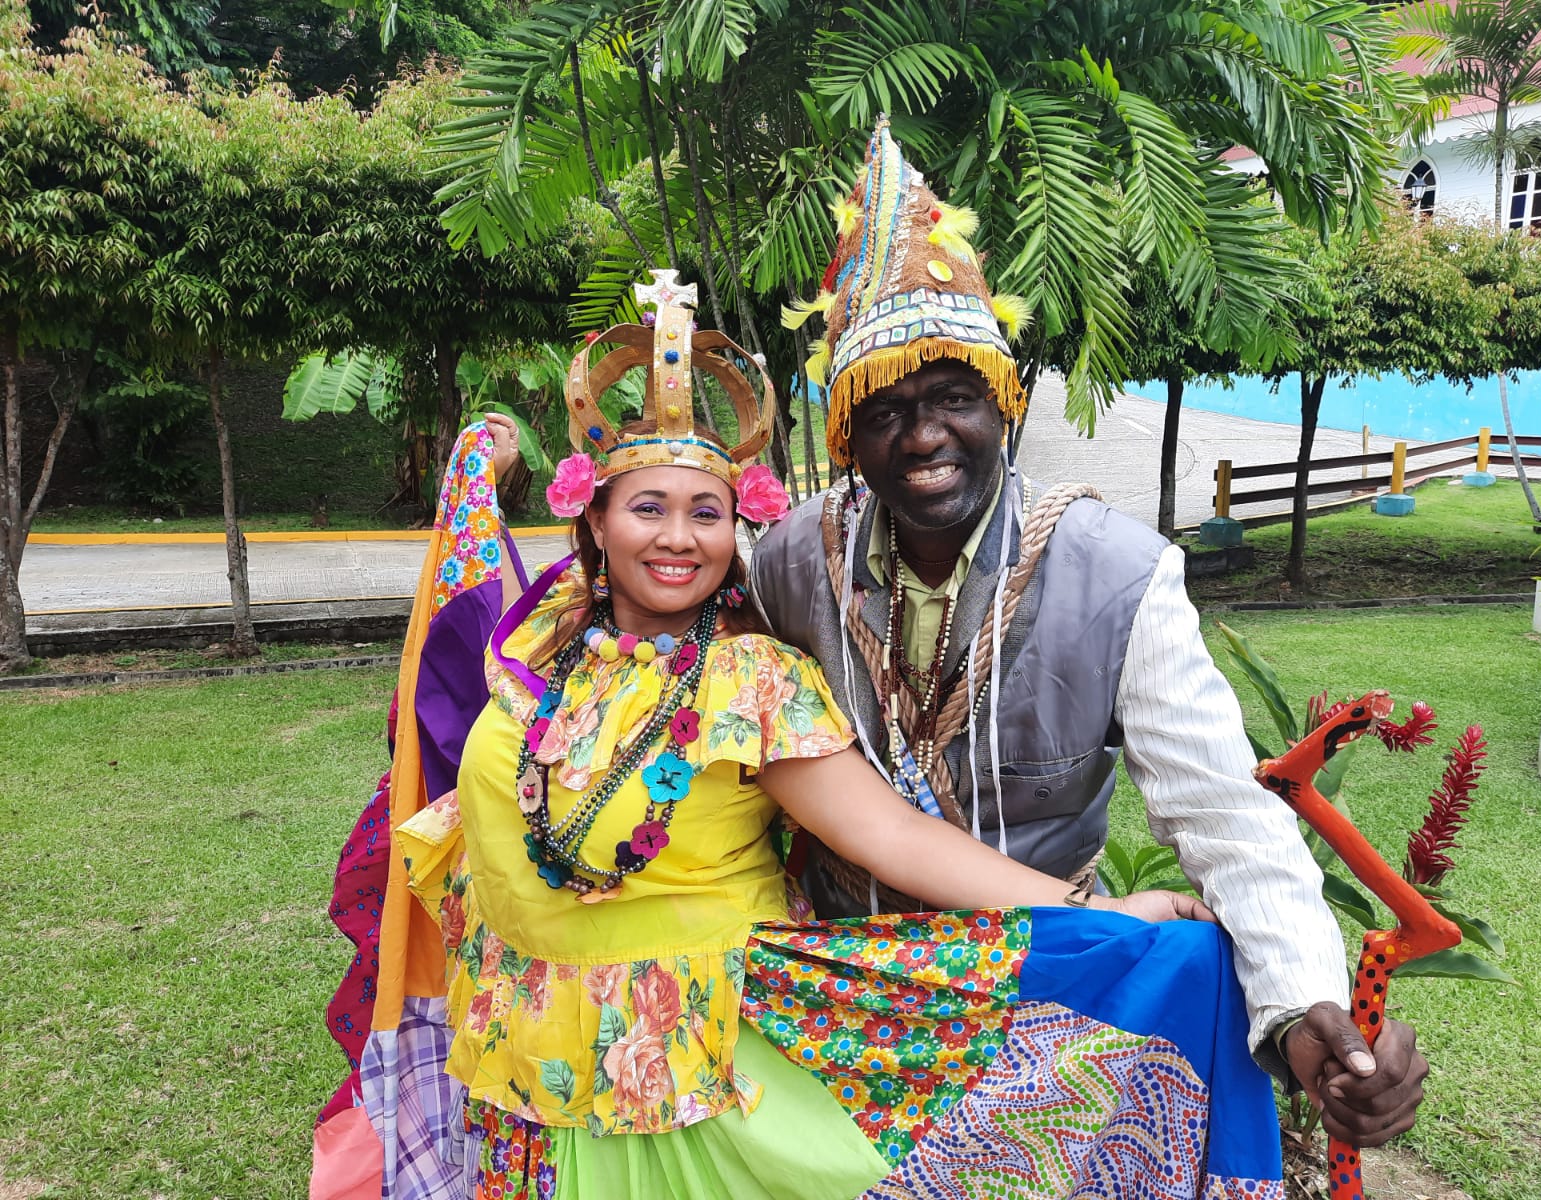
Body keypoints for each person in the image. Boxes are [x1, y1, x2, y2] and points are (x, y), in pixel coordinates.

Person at [315, 268, 1300, 1200]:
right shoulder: (542, 644)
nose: (678, 537)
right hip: (523, 1056)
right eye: (647, 508)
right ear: (595, 523)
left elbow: (890, 836)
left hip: (698, 1072)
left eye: (707, 513)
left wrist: (1101, 917)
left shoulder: (749, 678)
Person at [749, 122, 1428, 1150]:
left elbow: (1222, 812)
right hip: (841, 989)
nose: (922, 436)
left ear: (1006, 403)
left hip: (1051, 990)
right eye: (883, 413)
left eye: (951, 398)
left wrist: (1300, 1015)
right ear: (845, 432)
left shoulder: (1118, 575)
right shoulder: (787, 562)